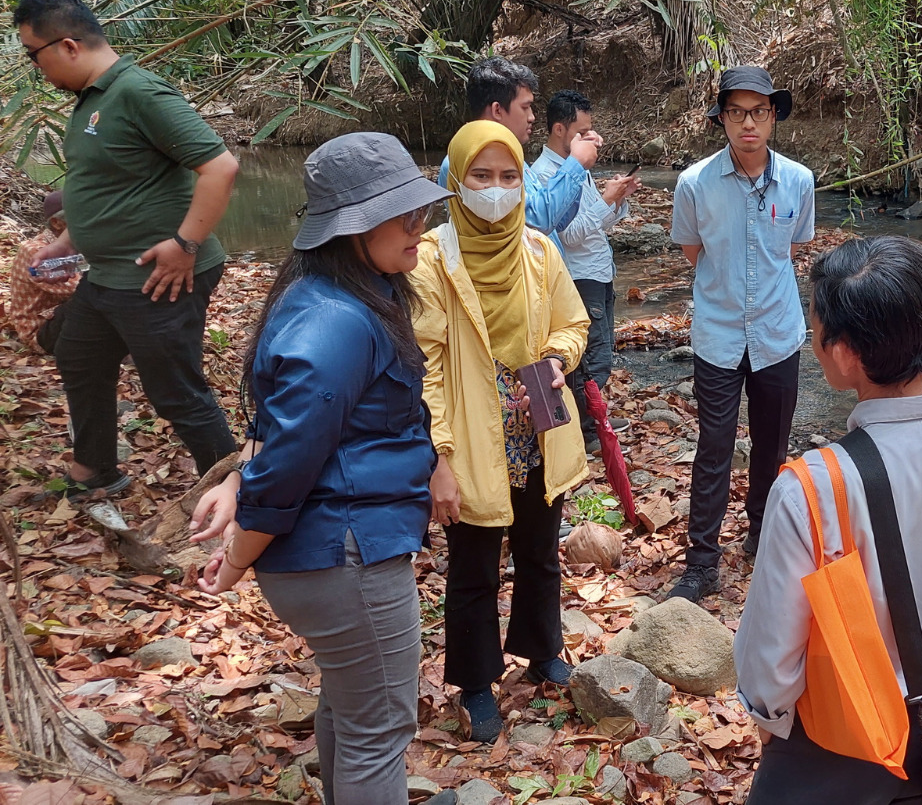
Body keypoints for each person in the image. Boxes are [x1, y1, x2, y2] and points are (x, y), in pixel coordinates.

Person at [186, 132, 448, 805]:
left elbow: (291, 431)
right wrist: (238, 555)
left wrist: (231, 479)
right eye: (404, 215)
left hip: (339, 549)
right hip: (344, 554)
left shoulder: (339, 296)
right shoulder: (336, 321)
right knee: (379, 729)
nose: (421, 228)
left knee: (352, 708)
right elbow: (289, 464)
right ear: (351, 227)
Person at [735, 236, 922, 801]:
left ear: (847, 355)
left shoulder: (810, 486)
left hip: (838, 741)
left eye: (816, 331)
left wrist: (773, 725)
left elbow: (770, 670)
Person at [15, 0, 239, 497]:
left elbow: (220, 167)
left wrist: (185, 245)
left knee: (175, 391)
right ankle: (96, 470)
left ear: (68, 46)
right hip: (109, 275)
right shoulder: (91, 100)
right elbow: (103, 183)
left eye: (35, 55)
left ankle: (235, 493)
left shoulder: (138, 92)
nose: (37, 69)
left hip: (157, 276)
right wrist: (66, 241)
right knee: (79, 357)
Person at [412, 120, 591, 742]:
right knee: (474, 560)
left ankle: (542, 648)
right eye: (481, 177)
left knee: (541, 549)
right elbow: (427, 365)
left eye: (508, 177)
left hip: (534, 420)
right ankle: (475, 682)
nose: (496, 189)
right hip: (468, 430)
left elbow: (574, 323)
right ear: (455, 182)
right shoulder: (432, 258)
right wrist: (437, 454)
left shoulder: (540, 251)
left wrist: (557, 362)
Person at [667, 66, 815, 602]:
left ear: (773, 116)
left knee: (772, 446)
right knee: (714, 446)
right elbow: (692, 251)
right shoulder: (694, 184)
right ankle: (701, 563)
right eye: (736, 113)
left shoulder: (798, 180)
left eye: (758, 111)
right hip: (718, 334)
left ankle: (761, 536)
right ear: (721, 119)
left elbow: (792, 247)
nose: (747, 123)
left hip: (778, 334)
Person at [530, 89, 642, 451]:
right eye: (583, 132)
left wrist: (616, 199)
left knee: (598, 351)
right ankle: (589, 432)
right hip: (577, 275)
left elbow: (594, 223)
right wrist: (607, 200)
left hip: (598, 271)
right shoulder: (547, 174)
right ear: (560, 130)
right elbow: (569, 235)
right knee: (591, 356)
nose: (593, 139)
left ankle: (594, 419)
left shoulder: (576, 167)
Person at [435, 57, 599, 248]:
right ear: (497, 110)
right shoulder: (465, 160)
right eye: (525, 107)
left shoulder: (511, 156)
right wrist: (576, 164)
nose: (532, 117)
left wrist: (578, 166)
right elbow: (540, 221)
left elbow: (557, 222)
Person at [6, 191, 81, 354]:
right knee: (96, 295)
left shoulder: (74, 246)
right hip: (41, 330)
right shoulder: (36, 251)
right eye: (81, 218)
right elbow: (78, 287)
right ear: (57, 223)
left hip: (61, 319)